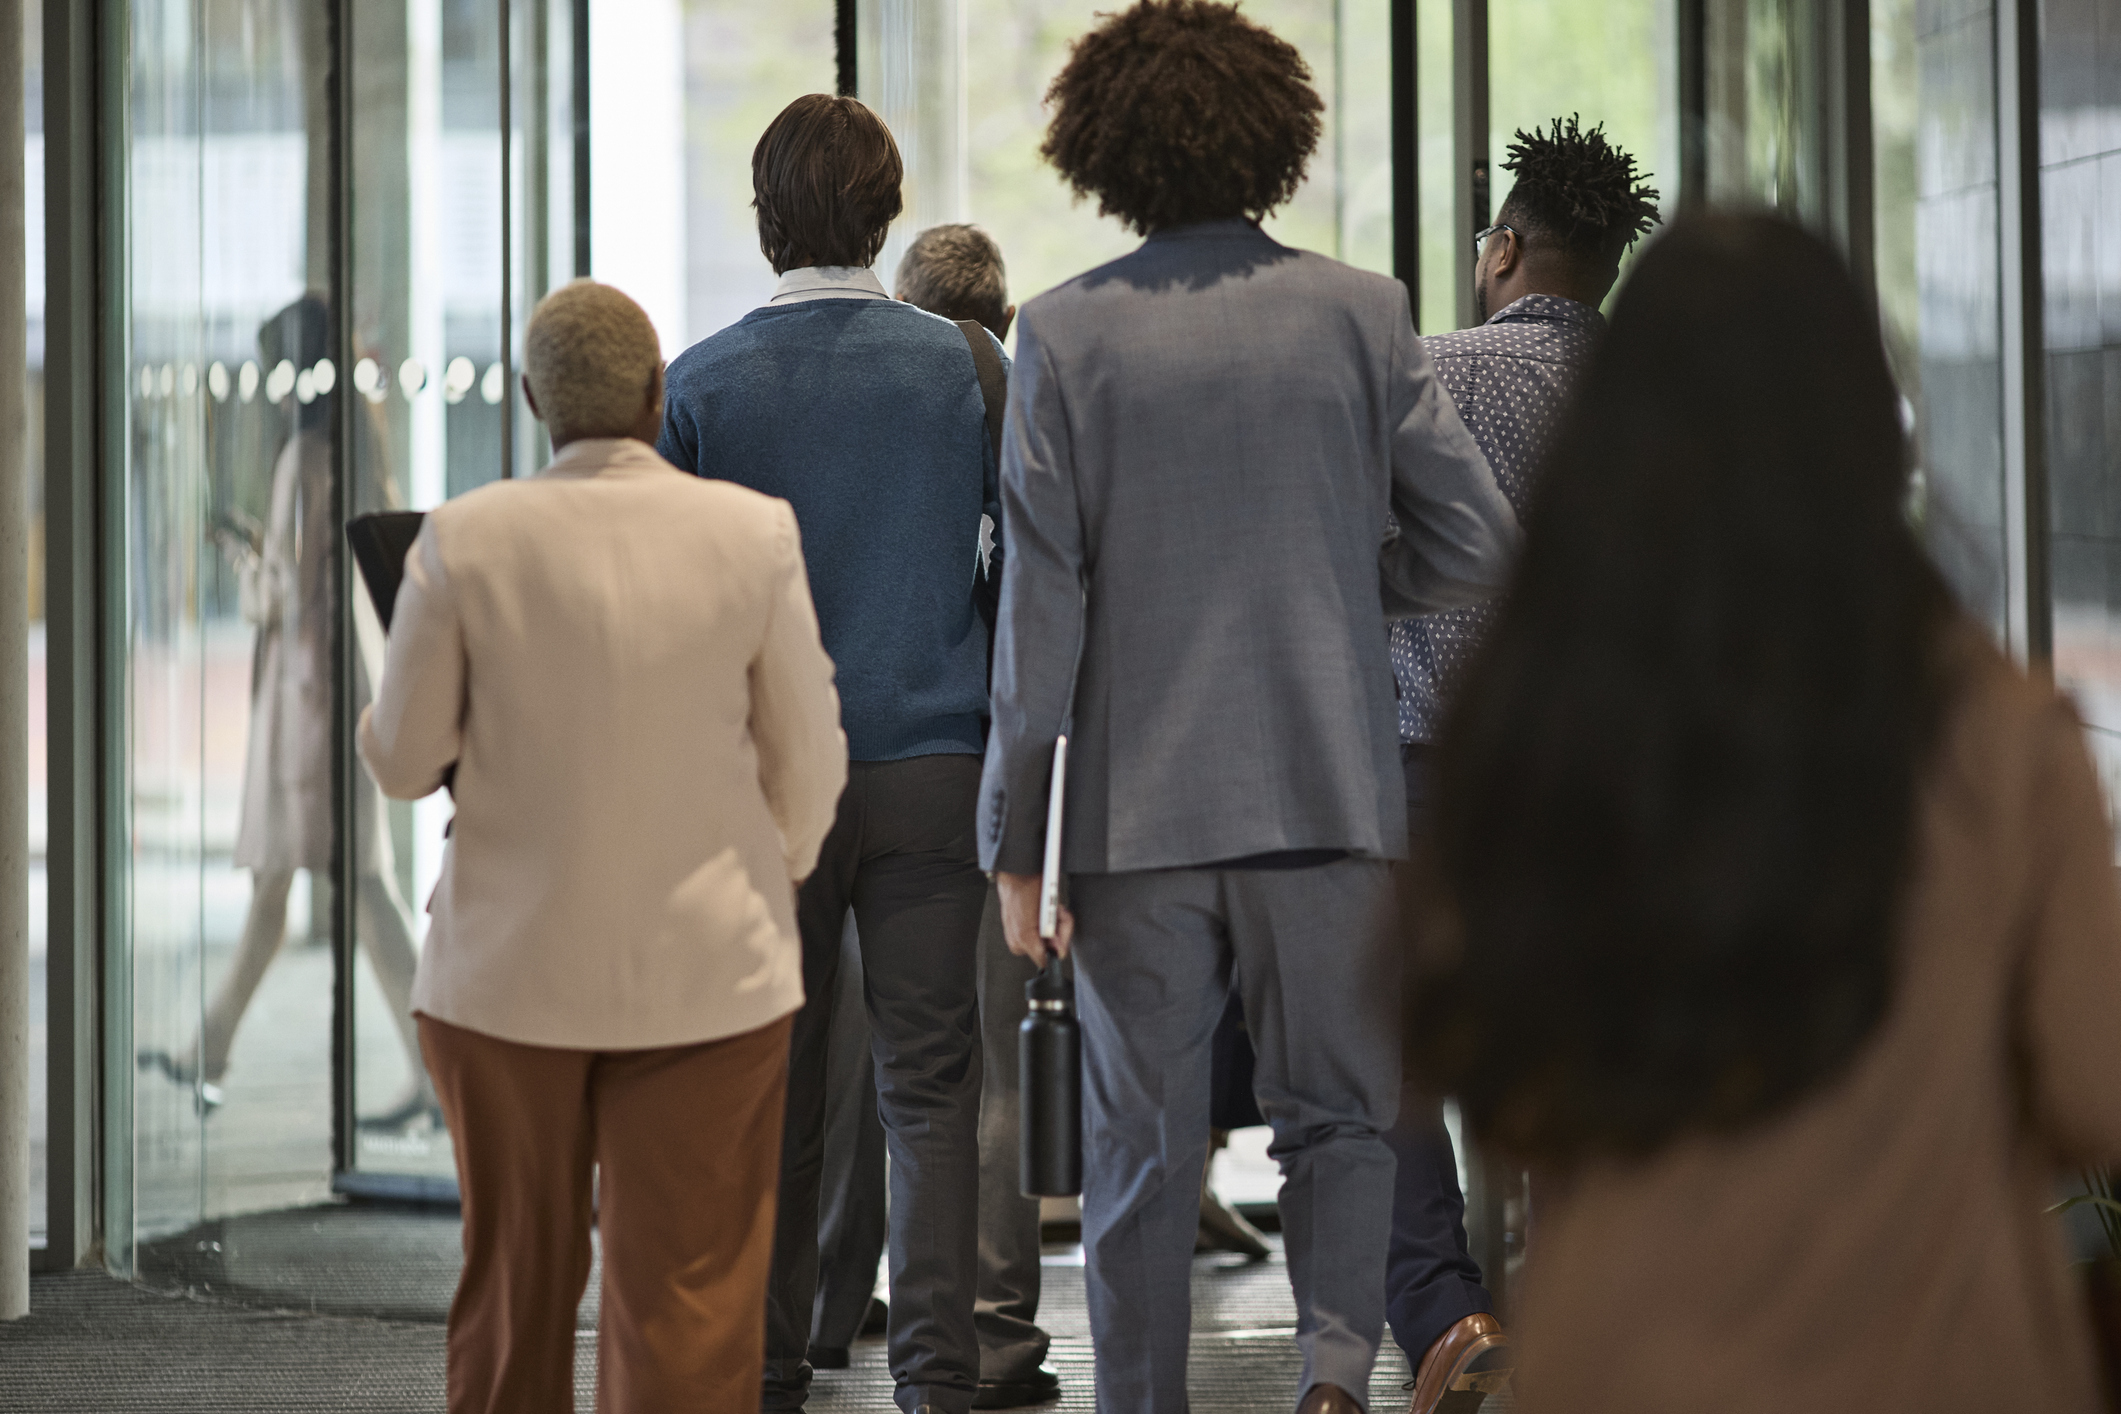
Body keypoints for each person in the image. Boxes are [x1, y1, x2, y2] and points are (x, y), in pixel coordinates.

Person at [1407, 212, 2121, 1414]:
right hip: (1940, 1357)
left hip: (1627, 1357)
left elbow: (1487, 1057)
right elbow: (2096, 1078)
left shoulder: (1547, 722)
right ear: (1866, 431)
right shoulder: (1998, 733)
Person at [979, 5, 1520, 1412]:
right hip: (1332, 793)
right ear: (1276, 139)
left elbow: (1040, 620)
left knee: (1144, 1148)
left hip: (1134, 817)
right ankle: (1332, 1377)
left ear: (1102, 152)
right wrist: (1348, 581)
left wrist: (1014, 848)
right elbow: (1477, 542)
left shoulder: (1061, 334)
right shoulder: (1360, 312)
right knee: (1340, 1119)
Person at [358, 280, 846, 1412]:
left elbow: (401, 759)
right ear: (656, 386)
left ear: (533, 398)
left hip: (506, 983)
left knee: (514, 1297)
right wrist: (758, 874)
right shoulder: (750, 532)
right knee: (686, 1307)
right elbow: (811, 763)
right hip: (710, 982)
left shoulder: (463, 542)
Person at [658, 96, 1002, 1414]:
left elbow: (677, 615)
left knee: (774, 1080)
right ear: (889, 208)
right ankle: (938, 1375)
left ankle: (766, 1363)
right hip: (932, 763)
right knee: (930, 1082)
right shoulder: (964, 369)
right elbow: (1026, 564)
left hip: (765, 782)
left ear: (762, 218)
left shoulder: (698, 385)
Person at [1385, 117, 1660, 1414]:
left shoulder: (1420, 369)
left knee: (1394, 1055)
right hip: (1588, 783)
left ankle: (1448, 1318)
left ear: (1503, 247)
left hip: (1423, 766)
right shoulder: (1651, 395)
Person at [142, 293, 430, 1127]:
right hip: (343, 676)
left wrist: (242, 561)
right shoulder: (362, 442)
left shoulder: (304, 456)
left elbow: (281, 594)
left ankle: (434, 1074)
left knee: (354, 885)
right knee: (324, 883)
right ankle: (211, 1049)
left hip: (306, 696)